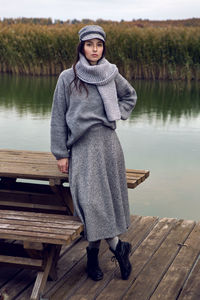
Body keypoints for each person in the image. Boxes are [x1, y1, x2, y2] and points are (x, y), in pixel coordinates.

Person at [51, 25, 137, 281]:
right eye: (90, 44)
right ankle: (118, 247)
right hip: (82, 147)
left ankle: (91, 258)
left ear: (103, 48)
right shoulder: (68, 77)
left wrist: (115, 113)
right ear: (81, 47)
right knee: (89, 203)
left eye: (98, 45)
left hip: (108, 145)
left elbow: (129, 96)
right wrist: (60, 153)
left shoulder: (111, 73)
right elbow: (57, 117)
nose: (94, 49)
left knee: (103, 202)